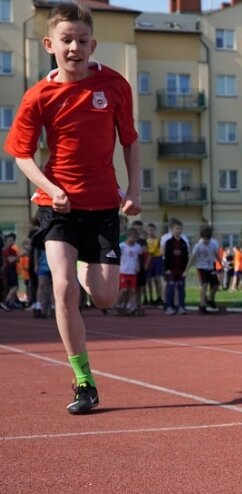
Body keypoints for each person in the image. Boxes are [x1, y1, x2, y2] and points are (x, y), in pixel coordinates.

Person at [3, 3, 141, 413]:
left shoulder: (115, 85)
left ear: (92, 44)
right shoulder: (39, 96)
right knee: (61, 287)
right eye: (66, 40)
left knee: (104, 298)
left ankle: (88, 268)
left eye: (82, 40)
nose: (75, 48)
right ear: (50, 44)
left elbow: (130, 141)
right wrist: (49, 187)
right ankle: (84, 382)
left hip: (102, 206)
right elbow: (21, 155)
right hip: (56, 205)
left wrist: (134, 188)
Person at [186, 225, 220, 314]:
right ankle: (202, 305)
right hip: (201, 267)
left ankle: (209, 298)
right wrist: (186, 270)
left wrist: (221, 263)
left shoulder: (213, 244)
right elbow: (192, 258)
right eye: (204, 239)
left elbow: (216, 255)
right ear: (202, 237)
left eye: (207, 239)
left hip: (210, 267)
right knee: (204, 285)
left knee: (216, 284)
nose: (206, 241)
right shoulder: (198, 246)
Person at [163, 218, 188, 315]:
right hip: (171, 270)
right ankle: (169, 306)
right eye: (177, 229)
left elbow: (185, 257)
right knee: (170, 288)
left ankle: (181, 306)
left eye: (180, 229)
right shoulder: (169, 243)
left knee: (181, 289)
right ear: (172, 230)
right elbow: (167, 257)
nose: (179, 231)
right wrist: (167, 269)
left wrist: (185, 270)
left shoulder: (183, 243)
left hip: (181, 270)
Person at [116, 227, 142, 315]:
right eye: (132, 237)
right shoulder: (122, 246)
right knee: (124, 290)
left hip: (132, 272)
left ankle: (131, 306)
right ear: (128, 236)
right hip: (123, 271)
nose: (134, 240)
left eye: (135, 238)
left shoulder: (137, 247)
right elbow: (118, 257)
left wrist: (137, 266)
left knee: (133, 290)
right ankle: (118, 305)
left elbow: (137, 257)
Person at [145, 222, 164, 306]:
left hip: (157, 259)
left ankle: (159, 297)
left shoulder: (158, 240)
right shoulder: (146, 240)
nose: (151, 232)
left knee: (157, 278)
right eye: (149, 230)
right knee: (149, 280)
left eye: (152, 230)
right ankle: (150, 297)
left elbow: (156, 249)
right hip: (149, 259)